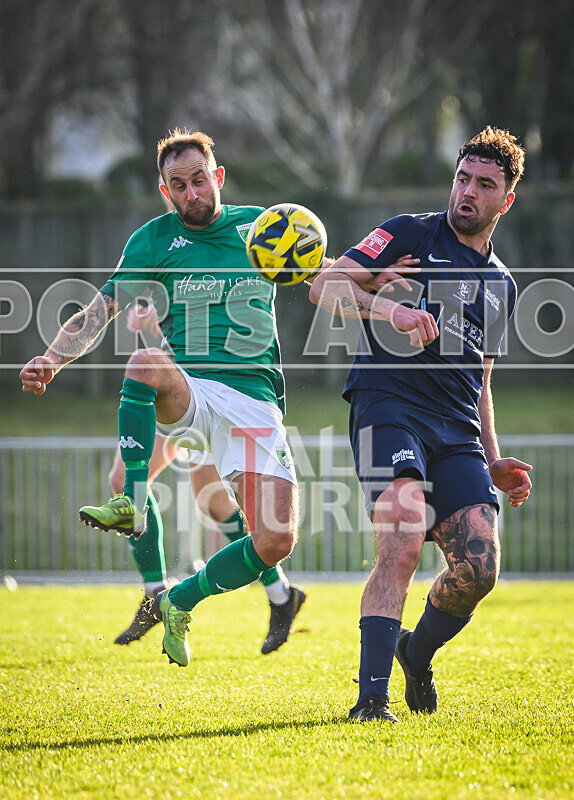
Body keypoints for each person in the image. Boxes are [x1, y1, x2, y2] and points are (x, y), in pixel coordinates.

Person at [20, 129, 306, 669]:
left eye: (200, 180)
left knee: (274, 540)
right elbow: (98, 310)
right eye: (179, 186)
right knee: (146, 363)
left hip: (253, 400)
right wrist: (52, 359)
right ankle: (132, 505)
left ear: (217, 176)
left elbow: (320, 268)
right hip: (191, 394)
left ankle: (179, 599)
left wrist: (377, 289)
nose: (192, 194)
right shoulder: (151, 241)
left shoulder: (259, 226)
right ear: (165, 191)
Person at [309, 126, 533, 722]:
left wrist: (494, 459)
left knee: (480, 566)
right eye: (463, 178)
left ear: (505, 200)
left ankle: (417, 650)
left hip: (456, 429)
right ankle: (370, 702)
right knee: (403, 540)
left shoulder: (502, 286)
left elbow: (482, 381)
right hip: (388, 406)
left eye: (485, 185)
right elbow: (323, 284)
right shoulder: (409, 232)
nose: (468, 192)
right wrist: (387, 306)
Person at [113, 299, 306, 654]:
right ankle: (156, 592)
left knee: (215, 503)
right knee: (124, 478)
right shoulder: (164, 250)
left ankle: (280, 593)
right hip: (177, 386)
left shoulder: (231, 254)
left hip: (215, 388)